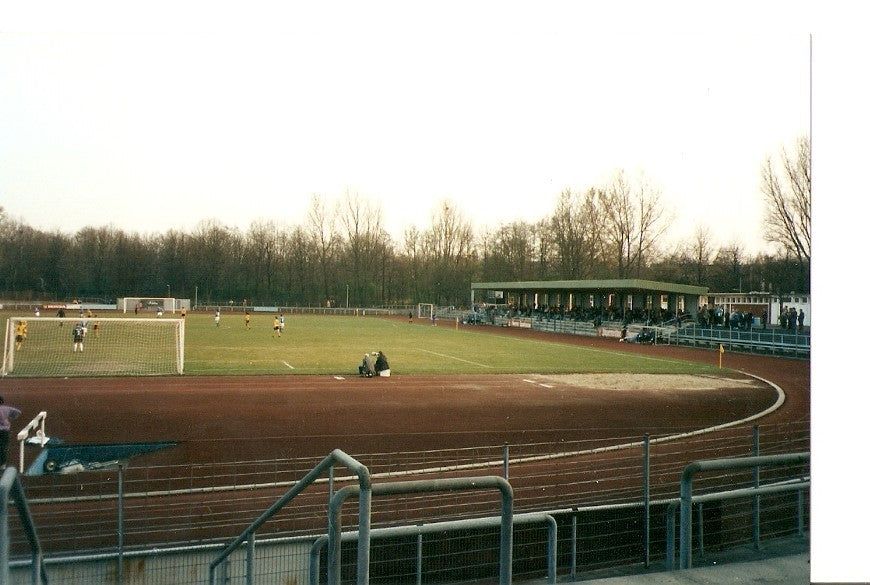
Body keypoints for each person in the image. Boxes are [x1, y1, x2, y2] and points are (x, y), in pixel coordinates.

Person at [0, 396, 21, 469]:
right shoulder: (6, 408)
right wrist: (10, 418)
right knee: (3, 447)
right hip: (4, 431)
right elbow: (18, 412)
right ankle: (2, 464)